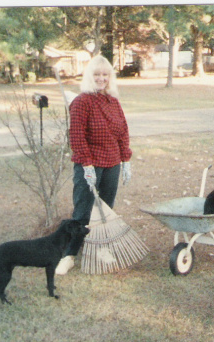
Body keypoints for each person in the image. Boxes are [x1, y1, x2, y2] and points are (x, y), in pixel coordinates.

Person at [55, 55, 132, 275]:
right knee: (82, 211)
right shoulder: (82, 102)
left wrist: (125, 160)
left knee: (106, 211)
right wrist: (87, 166)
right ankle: (69, 255)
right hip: (89, 164)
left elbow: (123, 132)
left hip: (112, 163)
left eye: (105, 75)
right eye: (97, 75)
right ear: (90, 76)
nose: (101, 79)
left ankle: (100, 249)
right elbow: (77, 135)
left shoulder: (113, 102)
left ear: (110, 77)